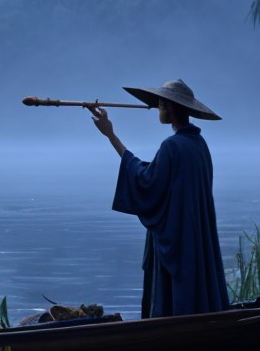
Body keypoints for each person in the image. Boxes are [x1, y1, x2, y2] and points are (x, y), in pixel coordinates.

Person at [87, 79, 230, 318]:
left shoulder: (172, 146)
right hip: (193, 236)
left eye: (160, 104)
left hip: (178, 237)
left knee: (175, 289)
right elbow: (156, 177)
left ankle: (174, 326)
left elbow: (146, 181)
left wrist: (111, 135)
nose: (157, 108)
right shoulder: (198, 145)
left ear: (169, 107)